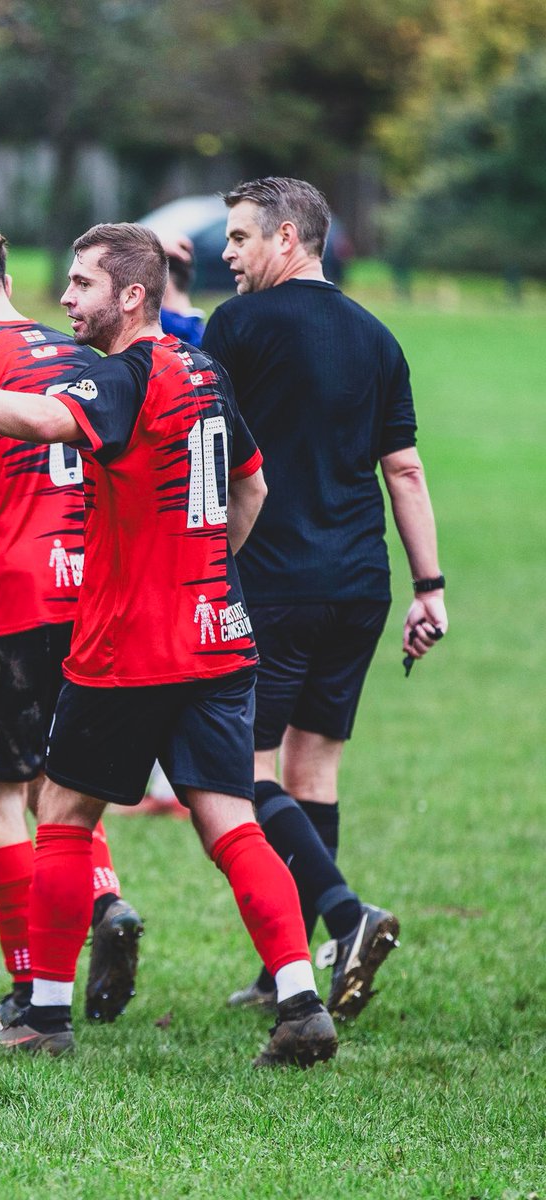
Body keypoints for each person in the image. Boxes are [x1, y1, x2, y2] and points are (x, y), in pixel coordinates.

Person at [0, 222, 339, 1068]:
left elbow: (43, 420)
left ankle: (44, 1015)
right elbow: (253, 483)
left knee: (63, 816)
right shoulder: (202, 368)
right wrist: (206, 566)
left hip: (127, 647)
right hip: (219, 638)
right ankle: (300, 1002)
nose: (67, 299)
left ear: (131, 296)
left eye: (81, 284)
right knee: (231, 823)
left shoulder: (126, 375)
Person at [203, 177, 446, 1017]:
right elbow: (404, 470)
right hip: (361, 586)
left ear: (287, 237)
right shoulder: (378, 338)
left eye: (239, 238)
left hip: (272, 581)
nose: (225, 254)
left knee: (244, 773)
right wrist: (431, 586)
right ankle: (294, 971)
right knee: (315, 771)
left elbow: (211, 456)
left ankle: (344, 916)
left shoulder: (235, 327)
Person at [0, 220, 144, 1026]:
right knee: (66, 784)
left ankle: (23, 984)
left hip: (14, 598)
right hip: (94, 593)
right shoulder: (84, 356)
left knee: (1, 791)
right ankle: (105, 900)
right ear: (4, 278)